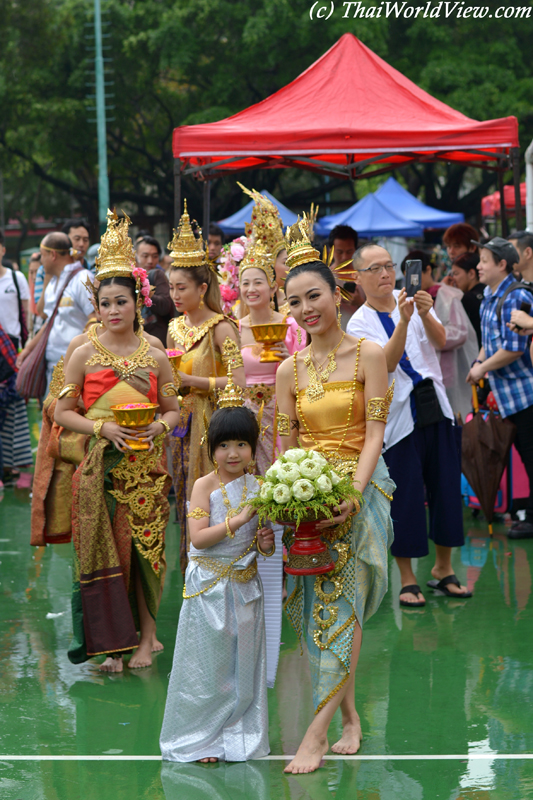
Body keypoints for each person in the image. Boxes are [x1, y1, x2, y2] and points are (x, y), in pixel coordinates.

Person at [276, 221, 394, 774]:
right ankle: (350, 719)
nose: (305, 309)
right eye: (294, 301)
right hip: (304, 502)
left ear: (337, 293)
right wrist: (286, 498)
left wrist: (352, 493)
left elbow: (375, 435)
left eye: (314, 296)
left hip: (358, 492)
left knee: (341, 610)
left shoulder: (369, 354)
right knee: (312, 611)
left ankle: (315, 734)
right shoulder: (287, 370)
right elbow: (285, 442)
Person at [54, 209, 180, 672]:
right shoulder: (83, 354)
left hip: (147, 469)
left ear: (137, 303)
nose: (112, 311)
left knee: (147, 553)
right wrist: (101, 428)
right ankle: (110, 643)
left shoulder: (156, 354)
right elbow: (63, 411)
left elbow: (174, 408)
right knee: (103, 552)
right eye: (105, 303)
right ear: (96, 306)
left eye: (120, 302)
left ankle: (146, 638)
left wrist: (160, 428)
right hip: (97, 470)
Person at [348, 243, 469, 609]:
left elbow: (441, 341)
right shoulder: (359, 322)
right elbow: (385, 363)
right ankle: (408, 578)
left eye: (389, 266)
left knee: (446, 487)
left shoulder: (411, 302)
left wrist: (426, 314)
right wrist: (403, 320)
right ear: (358, 277)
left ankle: (444, 569)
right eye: (375, 269)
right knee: (407, 497)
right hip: (398, 416)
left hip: (435, 404)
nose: (386, 274)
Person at [160, 396, 274, 763]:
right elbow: (197, 538)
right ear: (211, 448)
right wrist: (238, 522)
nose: (233, 453)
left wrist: (265, 543)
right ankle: (199, 740)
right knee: (208, 668)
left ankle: (237, 737)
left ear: (253, 448)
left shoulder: (259, 488)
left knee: (243, 667)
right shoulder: (202, 486)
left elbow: (263, 546)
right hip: (209, 588)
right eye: (224, 445)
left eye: (241, 444)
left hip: (245, 587)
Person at [167, 201, 246, 574]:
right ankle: (191, 568)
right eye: (171, 288)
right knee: (184, 497)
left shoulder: (222, 326)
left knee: (215, 497)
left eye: (182, 287)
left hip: (211, 423)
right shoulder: (173, 327)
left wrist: (192, 382)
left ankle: (223, 566)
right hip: (179, 422)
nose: (176, 295)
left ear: (203, 286)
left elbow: (239, 383)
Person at [466, 237, 533, 540]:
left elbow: (514, 349)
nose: (478, 266)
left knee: (531, 456)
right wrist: (478, 362)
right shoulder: (489, 297)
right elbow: (489, 343)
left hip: (525, 395)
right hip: (506, 397)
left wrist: (482, 367)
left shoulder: (516, 297)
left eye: (483, 260)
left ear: (502, 264)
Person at [402, 249, 478, 421]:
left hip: (450, 369)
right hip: (426, 373)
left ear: (428, 270)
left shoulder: (446, 295)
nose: (413, 281)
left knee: (455, 416)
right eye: (408, 276)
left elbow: (459, 332)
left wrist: (433, 334)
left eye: (415, 275)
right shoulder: (408, 300)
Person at [16, 233, 94, 395]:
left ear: (53, 255)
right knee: (52, 417)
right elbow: (48, 321)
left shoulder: (82, 278)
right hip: (53, 363)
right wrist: (28, 350)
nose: (41, 261)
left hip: (77, 366)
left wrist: (77, 357)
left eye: (42, 255)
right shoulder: (53, 282)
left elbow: (94, 321)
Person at [0, 231, 33, 485]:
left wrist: (27, 347)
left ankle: (11, 466)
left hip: (13, 352)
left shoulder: (15, 277)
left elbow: (26, 313)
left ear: (2, 250)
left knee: (13, 410)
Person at [450, 252, 484, 346]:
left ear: (471, 274)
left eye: (456, 274)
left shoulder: (466, 299)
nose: (453, 279)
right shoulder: (488, 291)